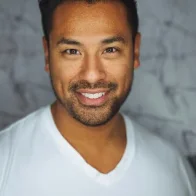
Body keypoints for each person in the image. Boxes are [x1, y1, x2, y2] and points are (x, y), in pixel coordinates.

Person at [0, 0, 195, 195]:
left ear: (135, 51)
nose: (92, 75)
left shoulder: (173, 168)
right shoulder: (4, 164)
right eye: (72, 51)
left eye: (110, 50)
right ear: (47, 54)